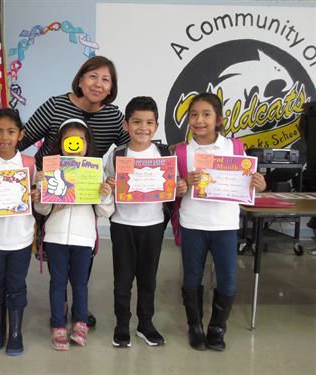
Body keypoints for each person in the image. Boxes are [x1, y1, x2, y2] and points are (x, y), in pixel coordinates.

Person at [21, 55, 129, 327]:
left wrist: (161, 164)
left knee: (83, 249)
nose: (98, 84)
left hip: (86, 197)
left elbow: (134, 151)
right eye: (93, 76)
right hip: (51, 190)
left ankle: (78, 305)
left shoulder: (113, 116)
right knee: (54, 252)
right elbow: (21, 139)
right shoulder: (55, 105)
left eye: (106, 79)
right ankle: (62, 303)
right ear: (80, 79)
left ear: (112, 87)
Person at [175, 93, 266, 351]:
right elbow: (173, 189)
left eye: (206, 114)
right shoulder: (182, 151)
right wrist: (182, 185)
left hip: (225, 224)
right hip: (193, 223)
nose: (199, 120)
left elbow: (248, 181)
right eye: (193, 114)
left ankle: (217, 327)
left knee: (227, 278)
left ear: (219, 120)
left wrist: (259, 184)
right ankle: (195, 326)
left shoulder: (234, 148)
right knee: (192, 277)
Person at [34, 119, 114, 351]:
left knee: (80, 284)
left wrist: (105, 194)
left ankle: (80, 323)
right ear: (61, 144)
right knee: (57, 283)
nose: (75, 145)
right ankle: (58, 324)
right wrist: (40, 196)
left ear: (87, 144)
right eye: (69, 141)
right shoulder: (50, 171)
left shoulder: (95, 172)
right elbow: (43, 210)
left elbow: (103, 211)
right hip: (55, 238)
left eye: (79, 141)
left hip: (84, 237)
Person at [105, 96, 170, 348]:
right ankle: (122, 325)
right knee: (122, 279)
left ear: (156, 126)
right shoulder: (116, 155)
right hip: (122, 224)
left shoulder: (164, 153)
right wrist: (109, 186)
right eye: (136, 122)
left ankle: (145, 323)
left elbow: (172, 187)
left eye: (149, 122)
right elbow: (106, 185)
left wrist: (180, 186)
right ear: (126, 125)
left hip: (153, 225)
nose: (143, 128)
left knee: (148, 278)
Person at [0, 108, 38, 356]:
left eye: (11, 132)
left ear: (20, 134)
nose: (5, 137)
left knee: (16, 284)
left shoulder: (30, 164)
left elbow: (40, 198)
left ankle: (15, 332)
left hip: (21, 237)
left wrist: (37, 194)